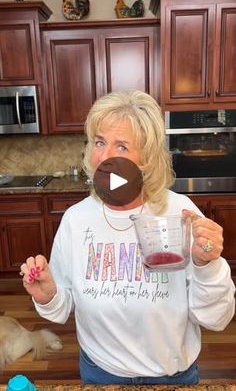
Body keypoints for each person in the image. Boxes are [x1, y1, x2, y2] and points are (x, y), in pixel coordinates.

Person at [20, 91, 235, 385]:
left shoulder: (181, 214)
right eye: (99, 142)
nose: (104, 156)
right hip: (99, 375)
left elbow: (216, 319)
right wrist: (49, 296)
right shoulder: (76, 219)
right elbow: (61, 309)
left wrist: (206, 264)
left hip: (173, 378)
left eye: (121, 146)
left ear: (146, 159)